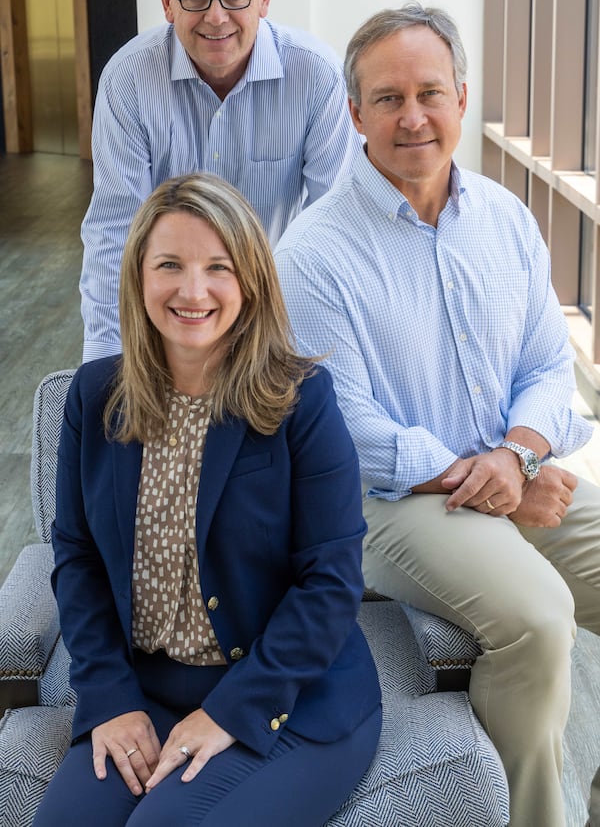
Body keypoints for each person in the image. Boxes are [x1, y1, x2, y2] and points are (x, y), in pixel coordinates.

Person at [274, 2, 600, 827]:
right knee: (536, 619)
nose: (412, 117)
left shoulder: (507, 220)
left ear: (461, 95)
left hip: (505, 471)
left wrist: (518, 456)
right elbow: (345, 427)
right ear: (355, 115)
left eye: (430, 92)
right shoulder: (311, 255)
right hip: (386, 506)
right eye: (388, 99)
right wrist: (499, 478)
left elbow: (546, 366)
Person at [34, 173, 381, 827]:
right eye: (170, 265)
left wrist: (229, 713)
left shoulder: (302, 401)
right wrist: (109, 697)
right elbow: (76, 558)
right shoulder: (93, 397)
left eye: (218, 267)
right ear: (140, 276)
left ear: (249, 282)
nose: (193, 290)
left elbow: (331, 582)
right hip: (146, 691)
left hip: (290, 697)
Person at [80, 0, 362, 363]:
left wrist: (321, 355)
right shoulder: (128, 79)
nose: (216, 17)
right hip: (169, 316)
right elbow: (115, 232)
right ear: (167, 1)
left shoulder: (317, 75)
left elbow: (338, 226)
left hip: (277, 313)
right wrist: (107, 364)